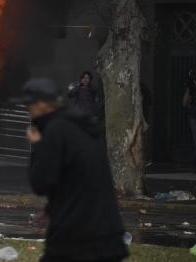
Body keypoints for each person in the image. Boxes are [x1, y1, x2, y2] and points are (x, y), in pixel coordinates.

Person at [11, 78, 128, 262]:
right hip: (107, 234)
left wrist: (37, 146)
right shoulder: (81, 126)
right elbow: (75, 178)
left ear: (42, 105)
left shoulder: (55, 131)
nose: (29, 112)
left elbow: (40, 183)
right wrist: (51, 209)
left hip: (74, 238)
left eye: (30, 106)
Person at [183, 67, 196, 173]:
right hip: (195, 118)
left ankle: (195, 164)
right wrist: (189, 89)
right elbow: (184, 103)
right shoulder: (192, 87)